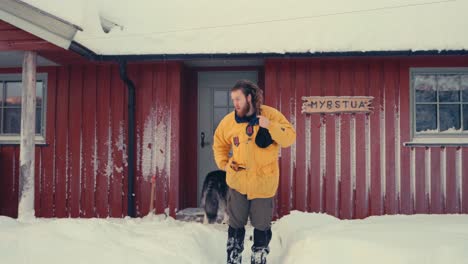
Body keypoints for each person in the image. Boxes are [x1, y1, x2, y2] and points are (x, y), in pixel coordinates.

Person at [213, 79, 296, 264]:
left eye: (238, 99)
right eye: (233, 99)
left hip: (263, 183)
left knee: (261, 225)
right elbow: (219, 143)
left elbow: (289, 137)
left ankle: (259, 256)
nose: (234, 103)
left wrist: (270, 126)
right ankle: (233, 256)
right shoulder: (229, 122)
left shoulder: (270, 115)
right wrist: (224, 164)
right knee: (235, 224)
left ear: (249, 97)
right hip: (238, 181)